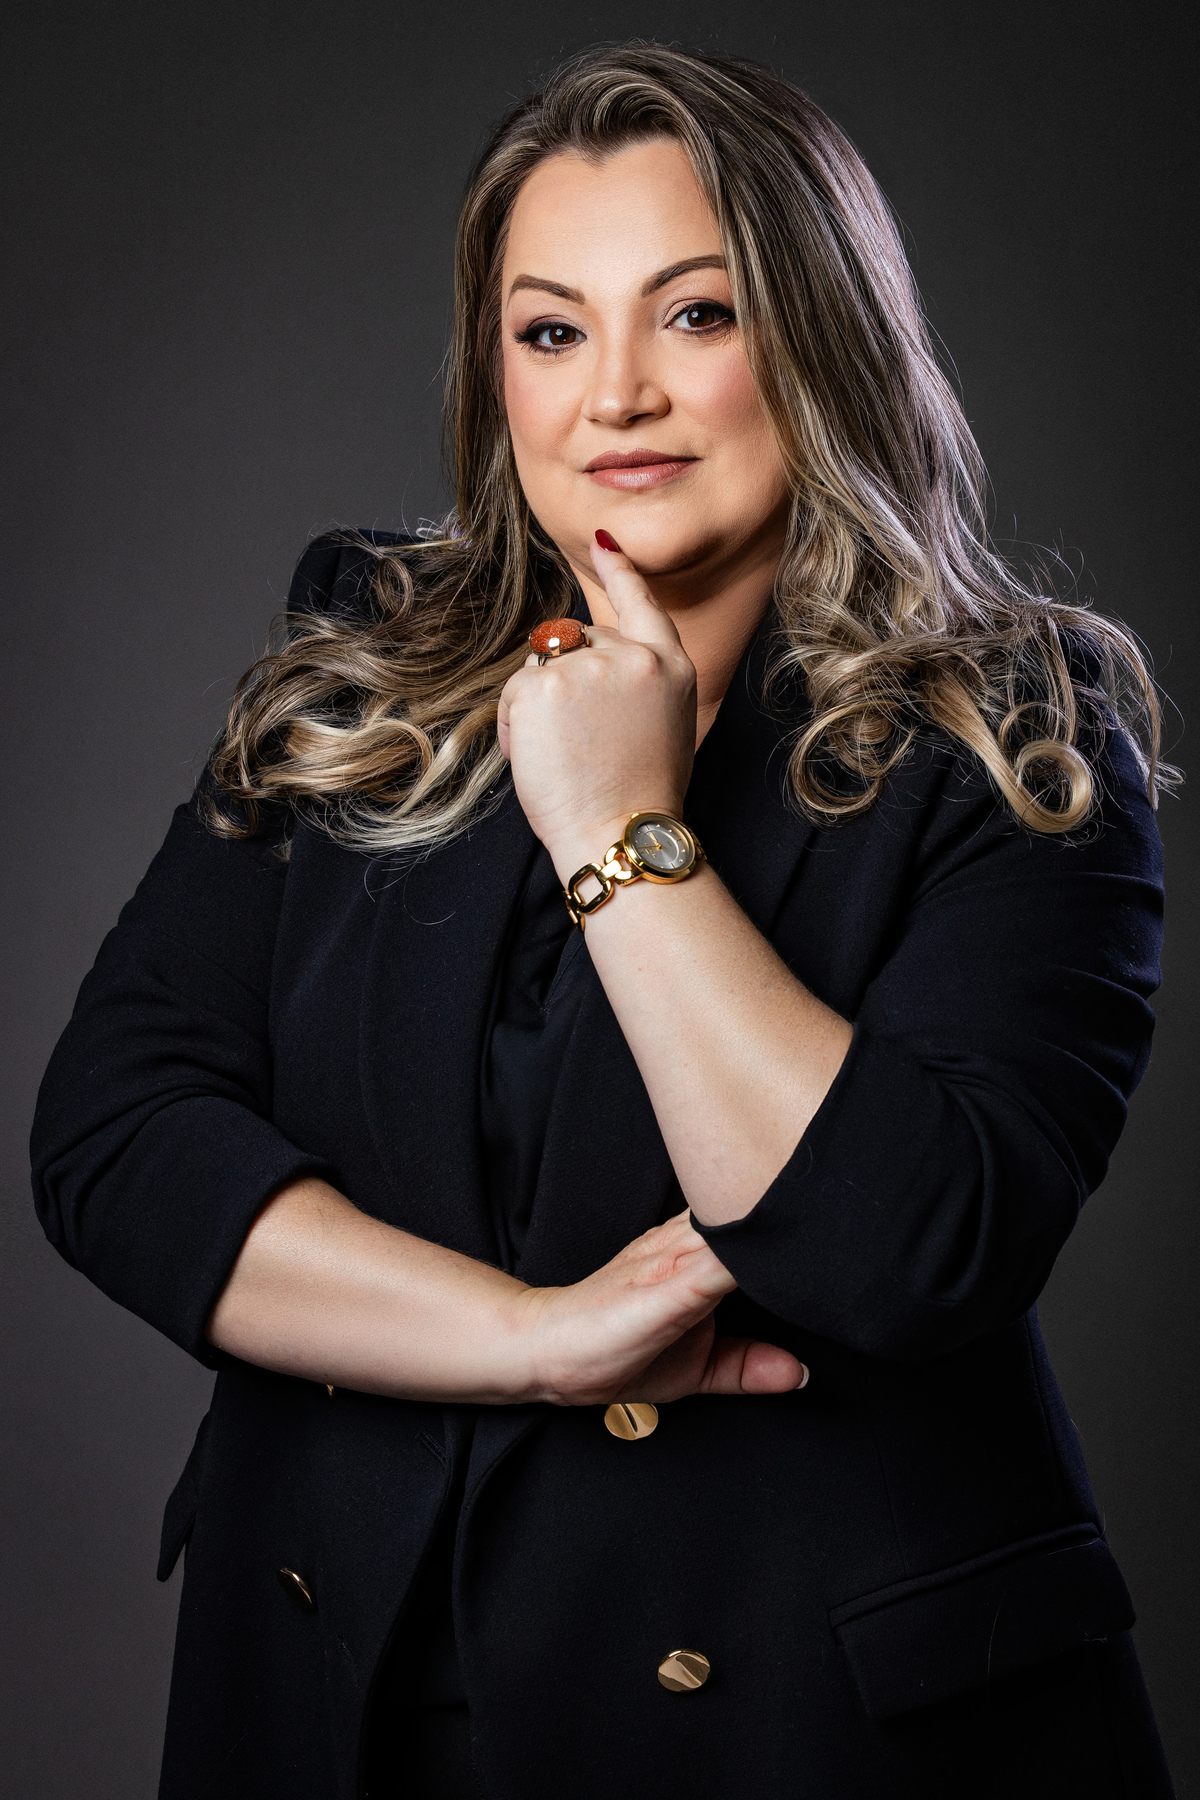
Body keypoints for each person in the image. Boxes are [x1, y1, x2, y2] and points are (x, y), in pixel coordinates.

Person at [31, 41, 1175, 1800]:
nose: (616, 395)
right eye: (551, 331)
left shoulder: (1016, 733)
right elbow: (117, 1138)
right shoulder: (366, 659)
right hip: (341, 1692)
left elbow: (894, 1248)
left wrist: (616, 829)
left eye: (697, 315)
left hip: (799, 1730)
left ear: (822, 339)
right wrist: (536, 1343)